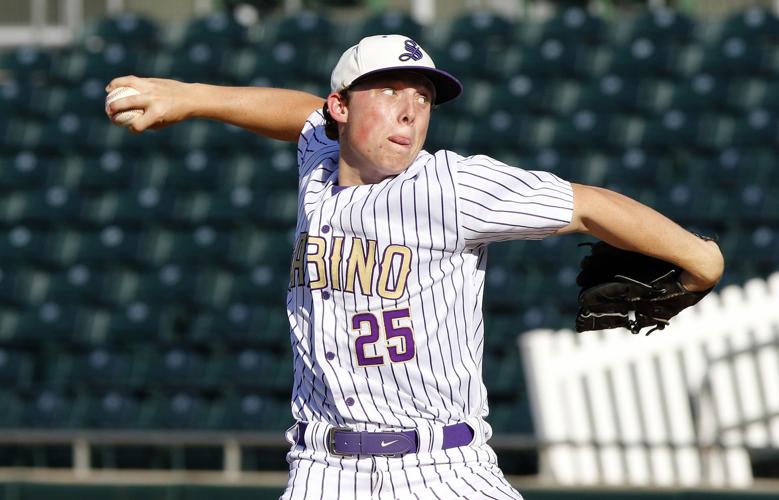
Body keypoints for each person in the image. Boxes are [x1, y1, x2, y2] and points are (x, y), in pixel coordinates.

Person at [106, 34, 724, 500]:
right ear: (340, 109)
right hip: (323, 470)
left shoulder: (451, 186)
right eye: (391, 92)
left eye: (423, 98)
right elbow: (297, 115)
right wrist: (189, 98)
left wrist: (703, 259)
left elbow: (588, 206)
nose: (411, 110)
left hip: (443, 467)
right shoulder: (320, 164)